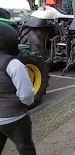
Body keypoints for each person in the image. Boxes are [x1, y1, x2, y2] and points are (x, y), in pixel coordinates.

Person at [0, 23, 36, 154]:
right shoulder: (13, 64)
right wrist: (25, 104)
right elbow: (26, 96)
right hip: (15, 118)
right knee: (26, 148)